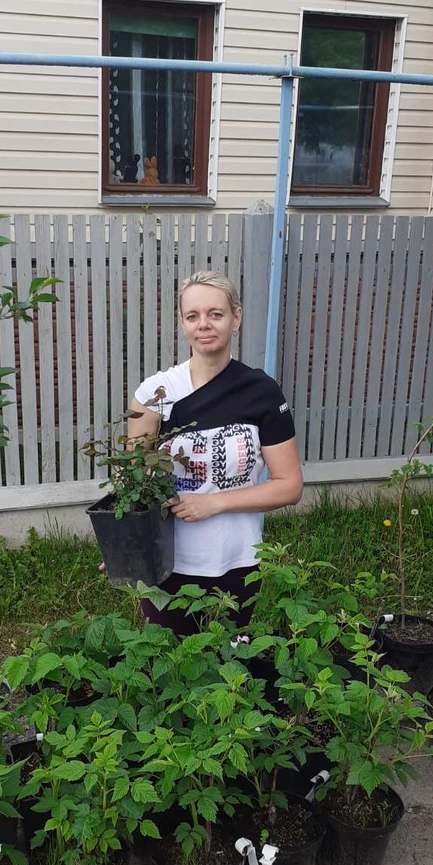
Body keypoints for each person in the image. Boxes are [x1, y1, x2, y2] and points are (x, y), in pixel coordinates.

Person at [128, 271, 304, 635]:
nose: (203, 324)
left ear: (236, 318)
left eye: (216, 314)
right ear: (182, 323)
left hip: (237, 561)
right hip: (167, 563)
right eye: (192, 316)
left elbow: (289, 486)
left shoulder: (260, 392)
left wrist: (214, 503)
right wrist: (124, 542)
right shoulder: (156, 393)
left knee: (231, 657)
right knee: (169, 659)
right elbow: (130, 480)